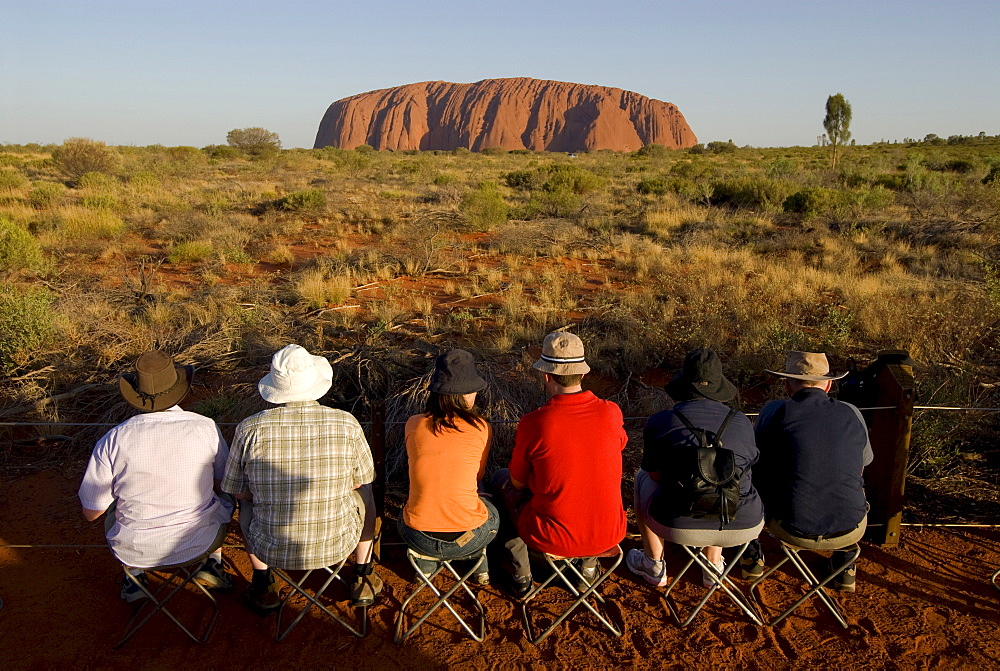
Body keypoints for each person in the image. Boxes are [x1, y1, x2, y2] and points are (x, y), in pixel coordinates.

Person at [222, 344, 380, 614]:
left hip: (270, 546)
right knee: (365, 494)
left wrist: (262, 492)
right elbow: (363, 478)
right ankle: (362, 575)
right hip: (339, 543)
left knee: (246, 507)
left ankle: (263, 583)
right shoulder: (346, 422)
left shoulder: (249, 428)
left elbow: (236, 491)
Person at [78, 351, 234, 601]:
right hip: (199, 541)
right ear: (179, 387)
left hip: (134, 548)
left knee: (113, 505)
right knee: (223, 495)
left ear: (136, 395)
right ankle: (211, 564)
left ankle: (136, 577)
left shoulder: (114, 439)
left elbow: (91, 512)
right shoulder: (205, 427)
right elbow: (222, 483)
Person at [490, 331, 627, 597]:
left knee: (500, 481)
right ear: (583, 374)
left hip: (551, 537)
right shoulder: (611, 412)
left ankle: (521, 575)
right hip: (610, 534)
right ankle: (587, 570)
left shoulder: (536, 421)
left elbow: (517, 482)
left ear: (546, 375)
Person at [627, 348, 764, 588]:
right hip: (742, 525)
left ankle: (653, 563)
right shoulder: (741, 421)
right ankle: (713, 564)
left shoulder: (662, 421)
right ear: (718, 386)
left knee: (642, 477)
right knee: (726, 475)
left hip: (676, 524)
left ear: (685, 385)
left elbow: (654, 474)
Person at [750, 351, 873, 592]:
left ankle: (751, 558)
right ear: (828, 384)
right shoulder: (851, 412)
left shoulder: (773, 411)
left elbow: (755, 462)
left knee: (752, 485)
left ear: (787, 385)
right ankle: (844, 566)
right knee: (850, 482)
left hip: (791, 526)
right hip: (852, 527)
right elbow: (862, 465)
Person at [397, 349, 499, 583]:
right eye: (472, 389)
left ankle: (425, 564)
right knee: (489, 507)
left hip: (418, 536)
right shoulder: (481, 426)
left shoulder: (413, 423)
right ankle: (477, 563)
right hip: (468, 536)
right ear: (465, 394)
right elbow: (478, 474)